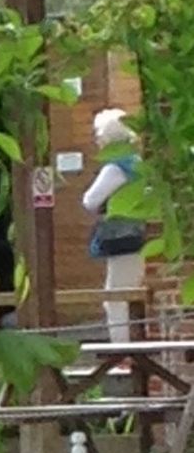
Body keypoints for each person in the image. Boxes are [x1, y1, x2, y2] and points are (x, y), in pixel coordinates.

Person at [82, 108, 144, 345]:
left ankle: (122, 349)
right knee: (132, 292)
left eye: (98, 134)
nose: (96, 139)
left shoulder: (117, 167)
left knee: (114, 296)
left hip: (122, 235)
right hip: (140, 231)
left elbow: (90, 200)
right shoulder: (138, 163)